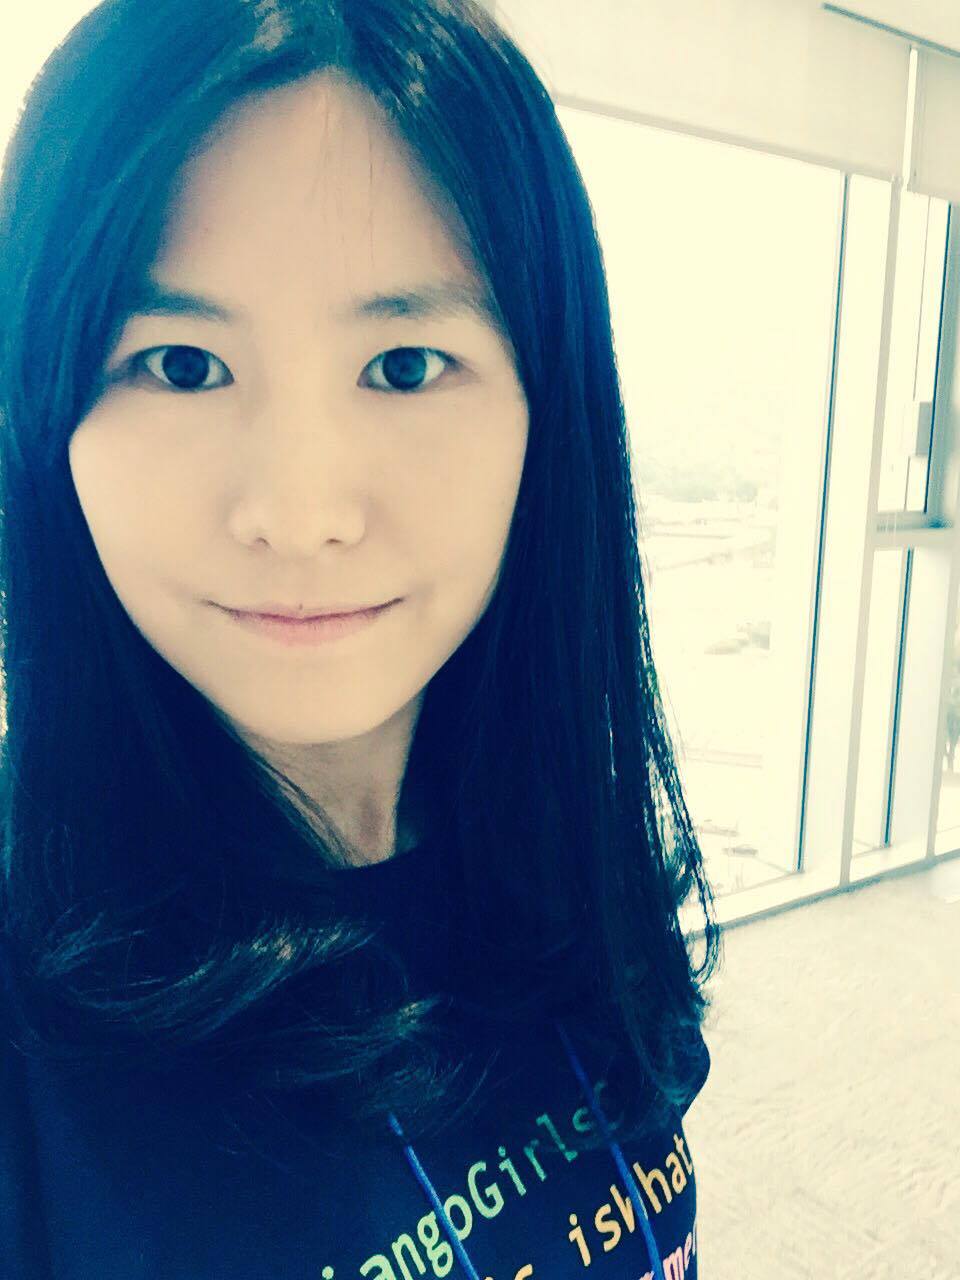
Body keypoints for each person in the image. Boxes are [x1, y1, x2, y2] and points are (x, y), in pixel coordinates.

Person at [0, 1, 722, 1276]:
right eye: (180, 364)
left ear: (544, 407)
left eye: (403, 365)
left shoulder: (560, 836)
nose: (301, 514)